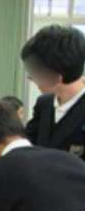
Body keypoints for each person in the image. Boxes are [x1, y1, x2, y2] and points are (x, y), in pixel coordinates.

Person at [22, 25, 85, 161]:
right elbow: (26, 145)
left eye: (35, 71)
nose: (31, 77)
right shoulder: (44, 103)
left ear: (56, 75)